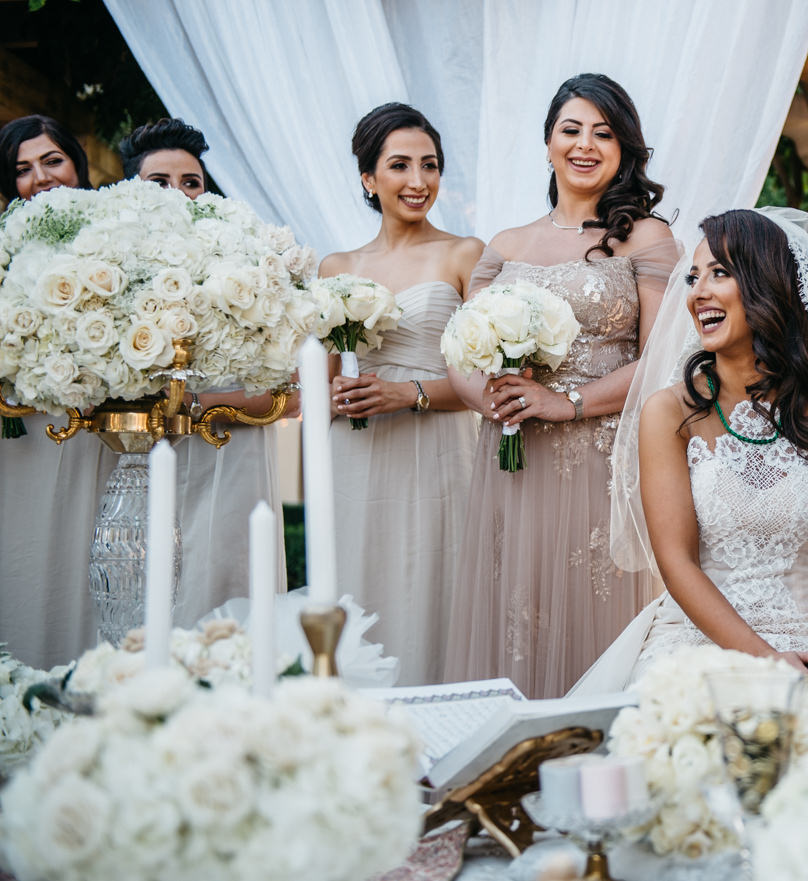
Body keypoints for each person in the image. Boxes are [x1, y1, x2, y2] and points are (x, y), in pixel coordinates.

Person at [570, 208, 808, 695]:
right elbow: (677, 562)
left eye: (719, 273)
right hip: (698, 643)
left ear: (768, 285)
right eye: (693, 277)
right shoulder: (668, 412)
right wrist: (769, 663)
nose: (697, 293)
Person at [443, 74, 679, 697]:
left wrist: (566, 403)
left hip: (602, 458)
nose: (585, 145)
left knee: (594, 618)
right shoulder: (505, 244)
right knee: (519, 618)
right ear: (548, 142)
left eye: (604, 133)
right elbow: (460, 349)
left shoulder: (646, 238)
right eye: (571, 130)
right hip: (513, 460)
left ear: (625, 149)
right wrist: (488, 399)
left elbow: (662, 359)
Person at [320, 103, 483, 686]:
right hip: (357, 454)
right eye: (400, 166)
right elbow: (315, 384)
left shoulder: (464, 254)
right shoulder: (336, 267)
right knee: (358, 578)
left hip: (439, 448)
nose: (418, 181)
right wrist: (336, 394)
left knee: (433, 581)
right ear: (368, 177)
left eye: (430, 165)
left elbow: (485, 383)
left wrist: (406, 393)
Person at [118, 117, 291, 623]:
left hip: (232, 461)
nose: (177, 194)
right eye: (159, 182)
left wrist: (194, 405)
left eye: (190, 182)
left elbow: (290, 393)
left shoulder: (251, 265)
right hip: (138, 464)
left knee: (228, 609)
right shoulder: (109, 268)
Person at [0, 115, 115, 666]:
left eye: (52, 160)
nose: (41, 178)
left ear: (77, 162)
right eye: (22, 169)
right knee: (21, 551)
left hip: (94, 426)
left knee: (83, 555)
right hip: (19, 429)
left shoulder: (113, 235)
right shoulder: (5, 246)